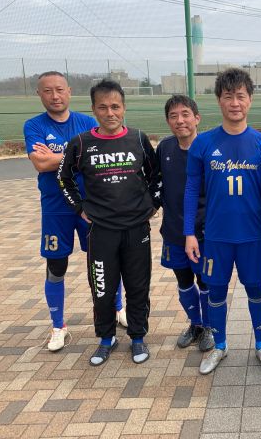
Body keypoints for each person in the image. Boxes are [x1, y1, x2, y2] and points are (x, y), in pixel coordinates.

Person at [184, 68, 261, 375]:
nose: (235, 103)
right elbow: (191, 190)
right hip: (216, 237)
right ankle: (220, 346)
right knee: (215, 292)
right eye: (228, 96)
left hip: (251, 236)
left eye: (241, 96)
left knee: (255, 289)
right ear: (219, 100)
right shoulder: (203, 143)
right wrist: (189, 233)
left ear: (250, 100)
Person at [58, 79, 160, 366]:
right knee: (102, 288)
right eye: (102, 107)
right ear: (93, 110)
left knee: (137, 287)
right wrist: (79, 207)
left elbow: (156, 176)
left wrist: (153, 205)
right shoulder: (80, 143)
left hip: (136, 229)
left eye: (115, 106)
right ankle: (106, 339)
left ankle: (138, 337)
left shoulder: (138, 139)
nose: (110, 113)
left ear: (124, 108)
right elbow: (63, 178)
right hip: (101, 231)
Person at [23, 71, 127, 353]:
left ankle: (118, 309)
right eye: (48, 91)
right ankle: (58, 326)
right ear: (39, 94)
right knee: (56, 266)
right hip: (55, 209)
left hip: (90, 207)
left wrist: (57, 156)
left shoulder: (87, 122)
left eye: (59, 89)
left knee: (105, 260)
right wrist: (78, 154)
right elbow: (40, 164)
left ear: (69, 91)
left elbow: (99, 156)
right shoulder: (33, 125)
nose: (55, 96)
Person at [157, 95, 214, 352]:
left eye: (185, 114)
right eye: (173, 116)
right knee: (183, 280)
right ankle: (196, 324)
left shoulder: (209, 148)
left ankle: (210, 327)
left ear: (197, 118)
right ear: (168, 121)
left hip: (204, 232)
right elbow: (155, 183)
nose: (180, 120)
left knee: (206, 281)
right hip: (174, 231)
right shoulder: (164, 148)